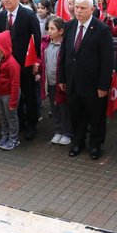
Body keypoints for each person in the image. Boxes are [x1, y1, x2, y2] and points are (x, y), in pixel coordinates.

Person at [58, 0, 114, 160]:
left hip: (93, 84)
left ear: (92, 9)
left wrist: (104, 85)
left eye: (82, 8)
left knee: (96, 116)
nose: (78, 11)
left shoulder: (102, 30)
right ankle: (78, 141)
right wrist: (62, 78)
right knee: (76, 114)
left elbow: (107, 60)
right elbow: (65, 54)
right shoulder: (69, 26)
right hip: (73, 82)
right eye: (76, 7)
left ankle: (95, 144)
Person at [0, 0, 41, 140]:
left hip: (25, 64)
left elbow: (36, 39)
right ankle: (18, 121)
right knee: (13, 95)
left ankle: (32, 124)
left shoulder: (28, 15)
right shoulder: (0, 17)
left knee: (28, 94)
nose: (6, 0)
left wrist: (36, 61)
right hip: (7, 66)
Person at [42, 16, 71, 146]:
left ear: (61, 31)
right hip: (51, 83)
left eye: (52, 29)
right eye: (48, 28)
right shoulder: (46, 45)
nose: (49, 31)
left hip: (62, 84)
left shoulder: (65, 46)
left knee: (64, 108)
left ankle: (67, 132)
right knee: (54, 108)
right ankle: (58, 130)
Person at [0, 30, 20, 151]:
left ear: (3, 46)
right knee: (2, 115)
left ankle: (13, 138)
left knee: (11, 116)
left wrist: (13, 101)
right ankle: (5, 135)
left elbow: (15, 84)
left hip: (8, 94)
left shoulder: (12, 63)